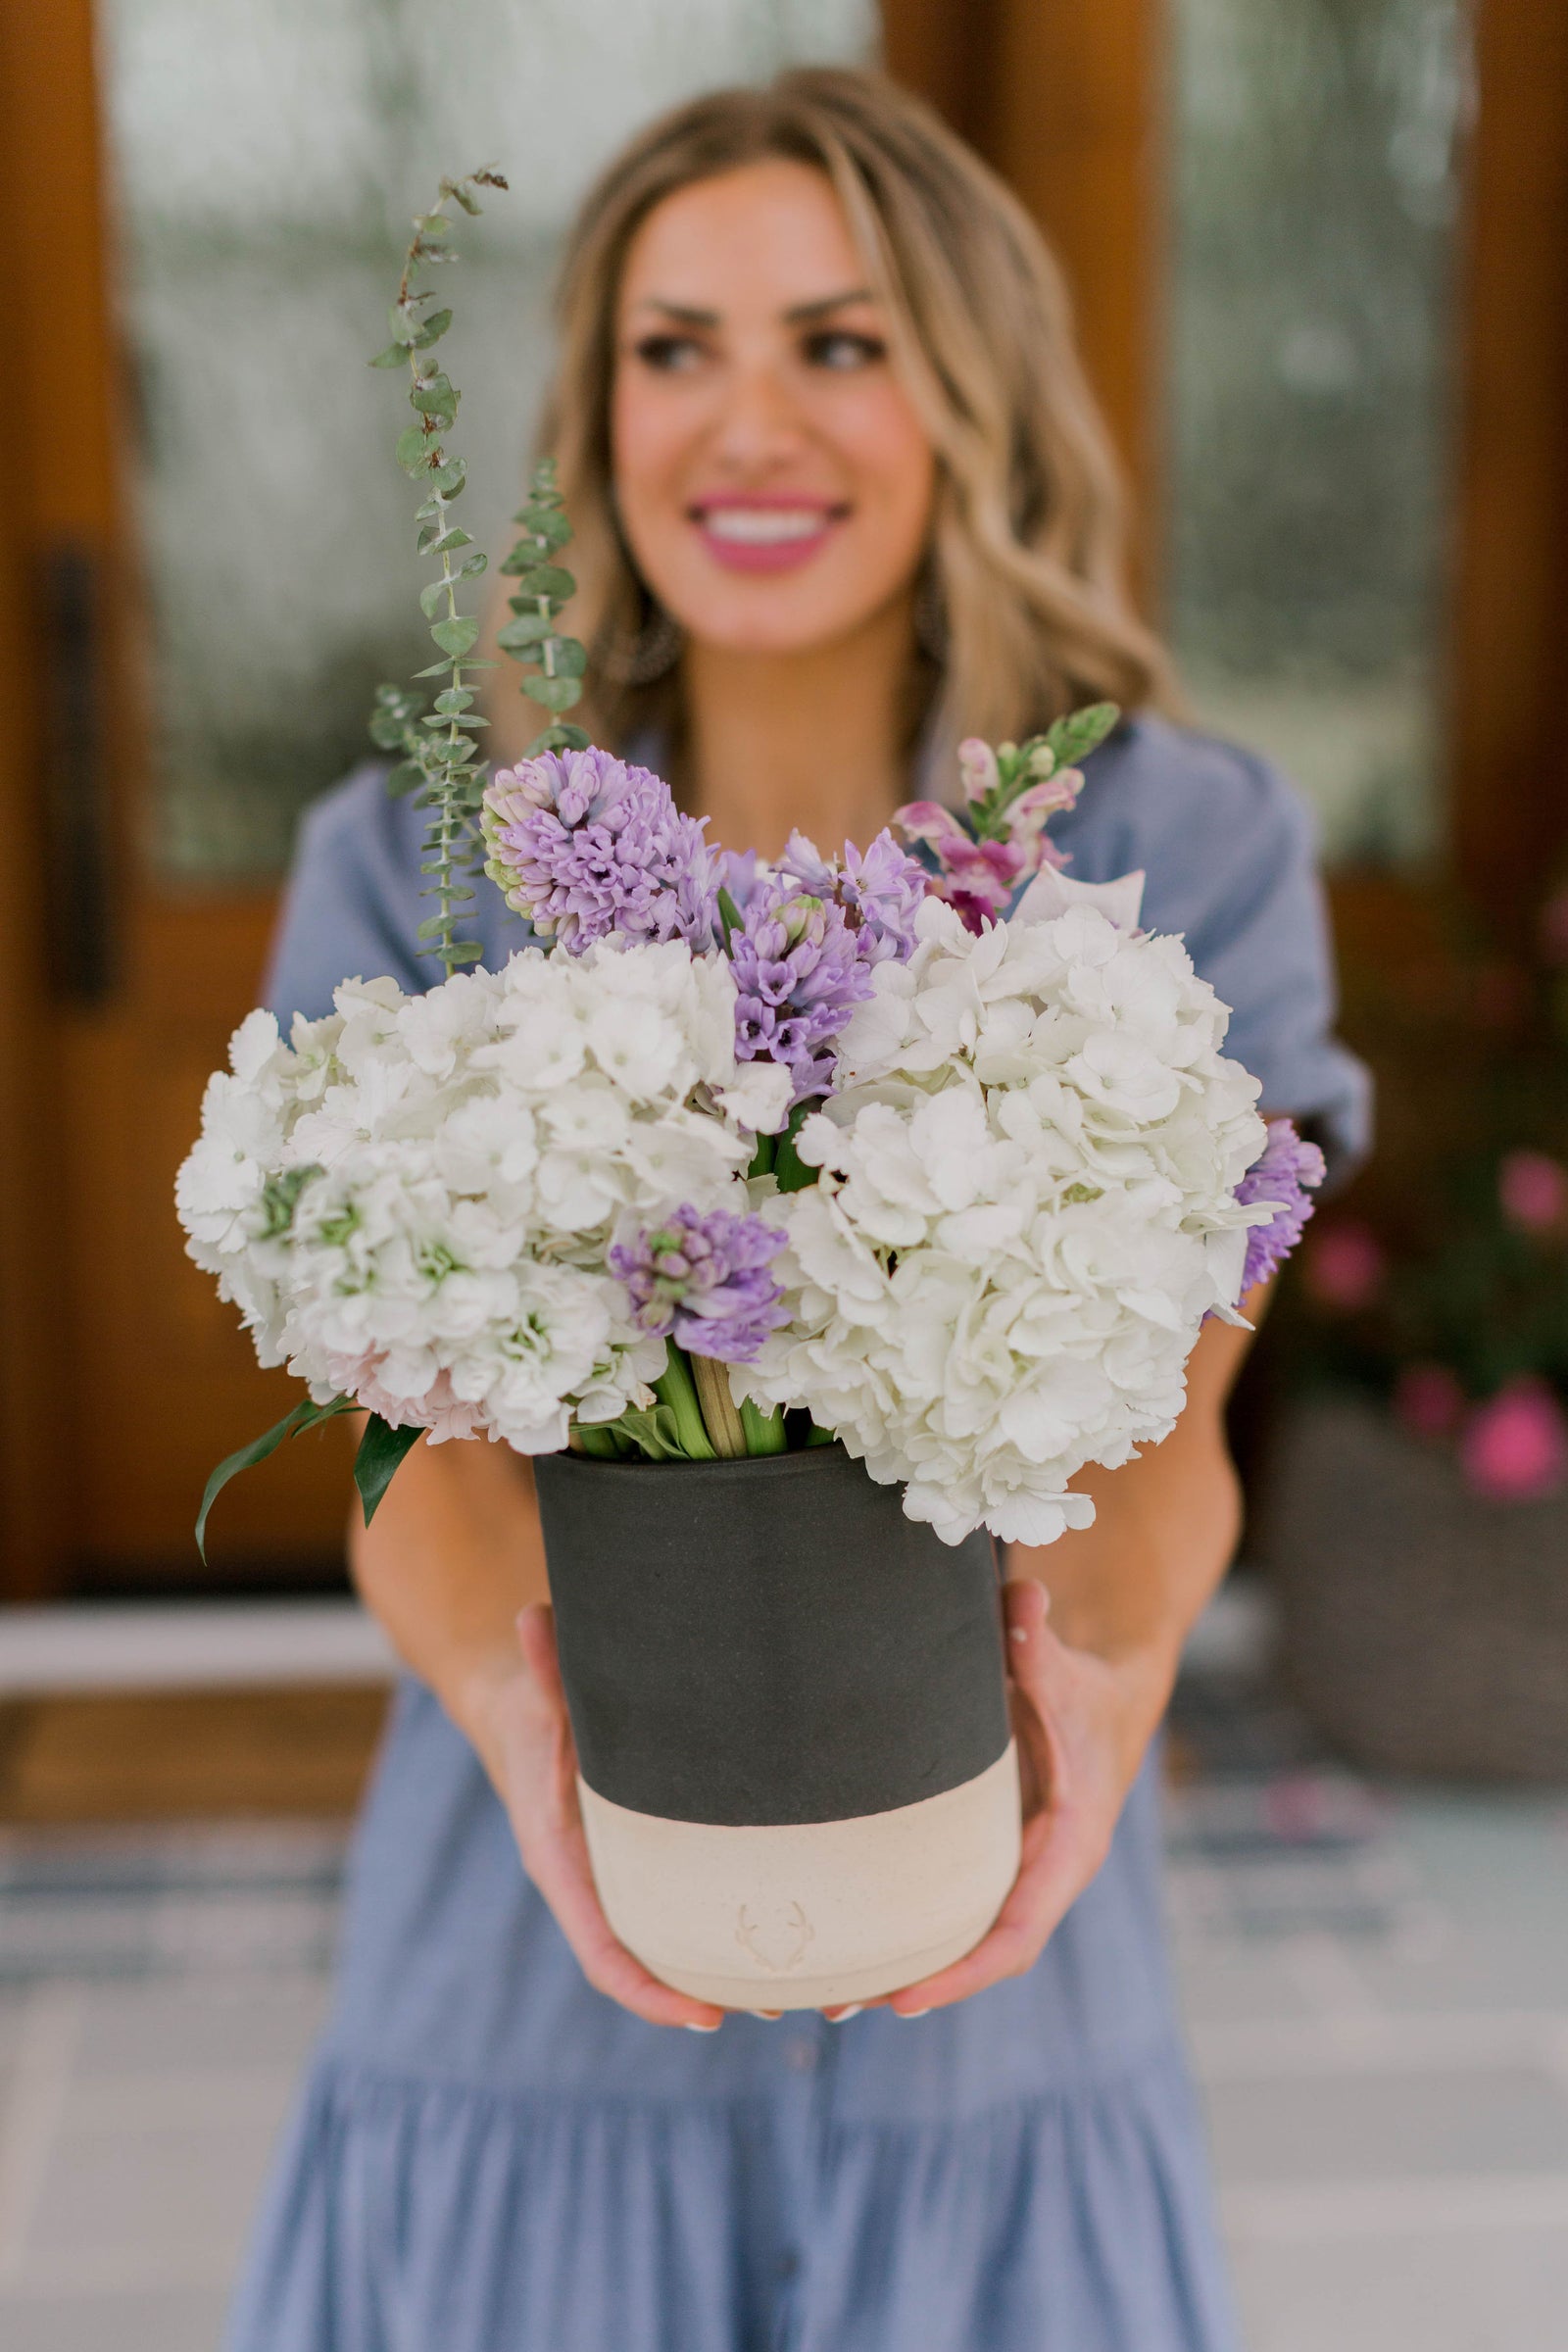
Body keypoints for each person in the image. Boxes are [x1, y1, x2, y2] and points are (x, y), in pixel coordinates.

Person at [227, 68, 1368, 2352]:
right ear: (595, 410)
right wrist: (529, 1749)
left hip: (993, 1970)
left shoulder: (1181, 851)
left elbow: (1170, 1433)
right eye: (675, 349)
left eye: (836, 342)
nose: (746, 423)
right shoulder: (419, 863)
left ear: (964, 394)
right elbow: (414, 1457)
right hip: (525, 1956)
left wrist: (1107, 1709)